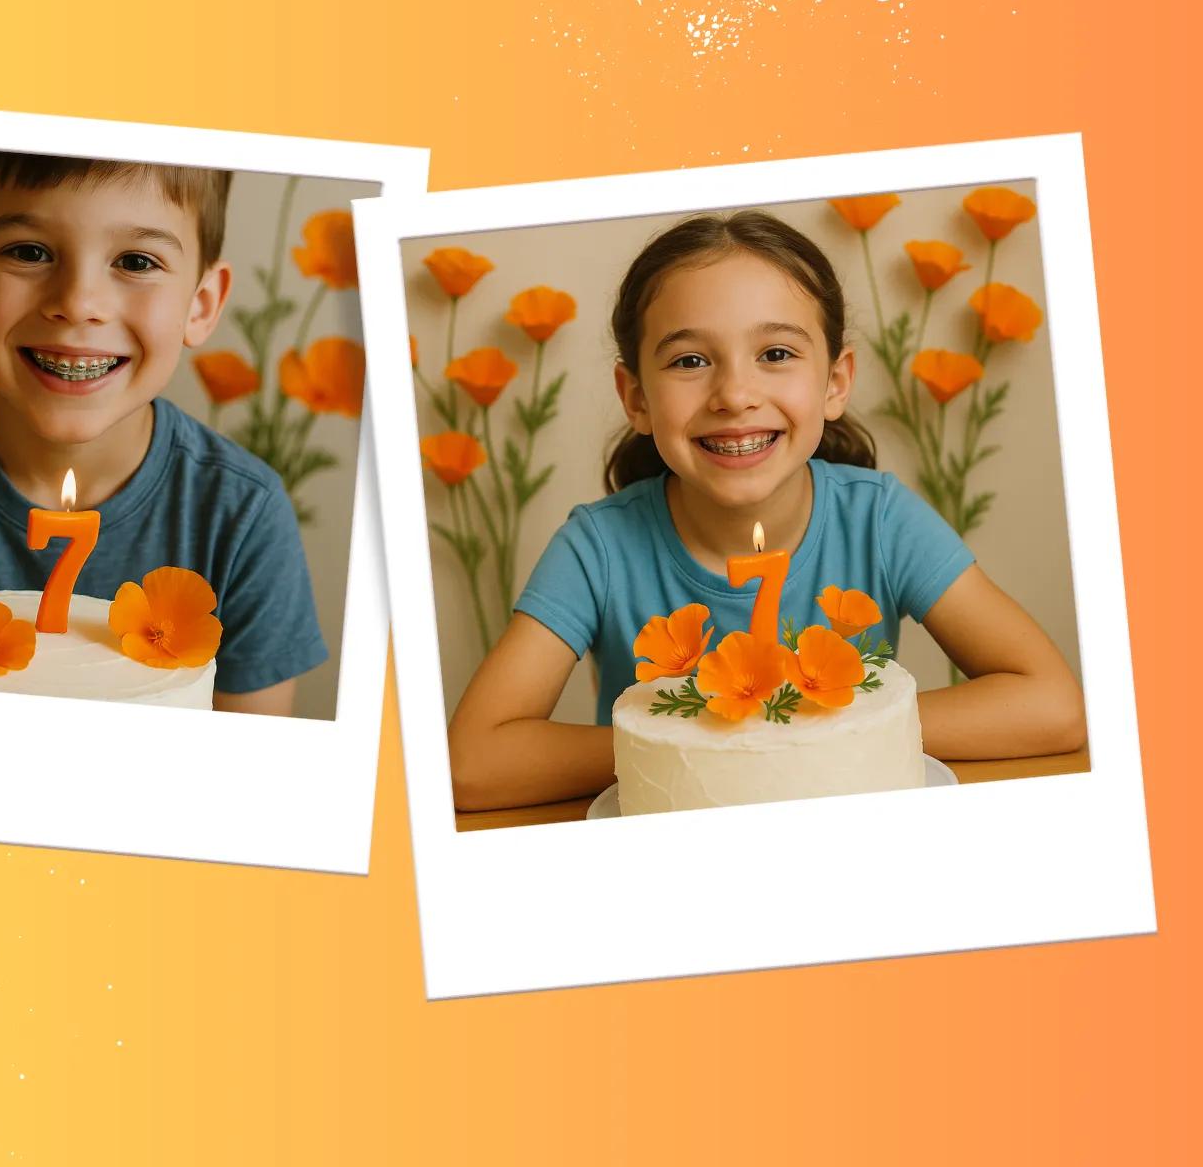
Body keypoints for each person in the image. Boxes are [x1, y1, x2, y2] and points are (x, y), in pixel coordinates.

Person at [448, 211, 1085, 809]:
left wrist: (821, 736)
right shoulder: (597, 548)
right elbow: (470, 763)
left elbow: (1053, 706)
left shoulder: (882, 521)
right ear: (636, 397)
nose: (735, 394)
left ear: (834, 382)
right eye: (690, 360)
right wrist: (701, 744)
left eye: (775, 354)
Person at [0, 150, 326, 715]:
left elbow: (252, 776)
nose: (77, 303)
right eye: (29, 252)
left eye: (137, 261)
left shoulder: (245, 517)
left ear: (201, 304)